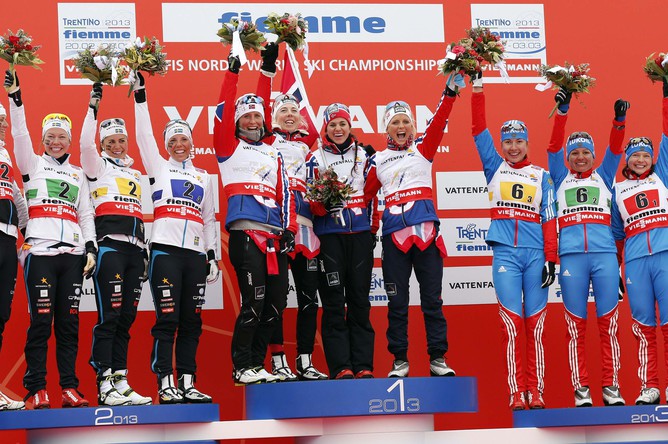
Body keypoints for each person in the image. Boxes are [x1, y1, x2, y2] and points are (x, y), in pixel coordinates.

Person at [5, 69, 96, 409]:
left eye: (61, 136)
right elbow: (19, 133)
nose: (55, 141)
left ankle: (69, 388)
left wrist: (91, 248)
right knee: (41, 322)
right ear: (43, 139)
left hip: (73, 255)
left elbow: (85, 213)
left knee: (69, 325)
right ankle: (36, 388)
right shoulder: (31, 164)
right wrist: (16, 99)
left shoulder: (77, 173)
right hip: (40, 253)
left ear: (69, 140)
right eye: (50, 136)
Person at [470, 72, 557, 410]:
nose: (514, 147)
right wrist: (478, 88)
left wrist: (551, 258)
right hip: (506, 254)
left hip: (535, 255)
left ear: (527, 143)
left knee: (535, 326)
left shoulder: (542, 176)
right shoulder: (494, 167)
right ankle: (516, 391)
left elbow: (549, 217)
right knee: (512, 325)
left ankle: (537, 391)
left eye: (519, 141)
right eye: (508, 141)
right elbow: (478, 131)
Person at [133, 73, 219, 403]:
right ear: (167, 146)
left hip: (195, 257)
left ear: (191, 143)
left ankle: (187, 382)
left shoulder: (203, 177)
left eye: (183, 140)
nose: (178, 145)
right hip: (165, 252)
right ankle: (165, 382)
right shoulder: (158, 167)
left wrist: (212, 255)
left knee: (192, 322)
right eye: (172, 141)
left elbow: (209, 219)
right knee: (167, 319)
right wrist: (140, 97)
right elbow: (144, 135)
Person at [363, 80, 457, 378]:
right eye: (395, 122)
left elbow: (439, 120)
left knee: (432, 302)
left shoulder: (423, 150)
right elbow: (364, 198)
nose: (401, 127)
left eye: (405, 121)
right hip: (394, 240)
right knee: (397, 303)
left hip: (427, 237)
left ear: (413, 127)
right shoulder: (376, 160)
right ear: (386, 129)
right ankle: (399, 360)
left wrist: (450, 93)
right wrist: (369, 231)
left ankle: (438, 358)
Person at [214, 52, 297, 385]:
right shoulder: (227, 146)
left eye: (257, 116)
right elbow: (223, 111)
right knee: (254, 302)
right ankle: (242, 366)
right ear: (237, 122)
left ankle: (257, 365)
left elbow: (285, 192)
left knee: (275, 306)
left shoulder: (272, 150)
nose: (252, 121)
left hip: (276, 237)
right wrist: (233, 74)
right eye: (246, 116)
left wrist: (289, 229)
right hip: (246, 235)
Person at [547, 88, 629, 407]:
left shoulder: (605, 176)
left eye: (585, 152)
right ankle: (581, 388)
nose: (580, 157)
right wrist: (562, 111)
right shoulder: (559, 176)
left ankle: (611, 386)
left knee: (609, 325)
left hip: (605, 257)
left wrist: (619, 120)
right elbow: (554, 146)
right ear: (568, 158)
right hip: (571, 259)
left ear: (593, 156)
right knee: (575, 326)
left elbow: (616, 148)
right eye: (575, 153)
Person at [256, 43, 327, 381]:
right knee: (276, 300)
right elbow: (258, 103)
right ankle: (278, 360)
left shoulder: (309, 149)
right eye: (283, 110)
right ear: (273, 116)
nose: (288, 114)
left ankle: (305, 360)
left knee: (310, 300)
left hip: (307, 230)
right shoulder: (266, 142)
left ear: (301, 117)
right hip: (276, 230)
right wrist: (268, 70)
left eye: (293, 111)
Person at [81, 83, 152, 406]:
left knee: (126, 319)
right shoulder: (97, 167)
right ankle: (103, 380)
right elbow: (84, 144)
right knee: (109, 317)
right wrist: (93, 108)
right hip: (109, 247)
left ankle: (121, 380)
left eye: (121, 140)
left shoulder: (135, 173)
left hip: (135, 250)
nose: (117, 145)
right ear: (102, 145)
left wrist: (145, 249)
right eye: (110, 142)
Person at [305, 102, 376, 380]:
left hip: (360, 237)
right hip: (330, 238)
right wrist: (324, 204)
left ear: (349, 126)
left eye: (342, 124)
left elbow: (374, 196)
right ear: (325, 129)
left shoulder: (366, 156)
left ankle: (363, 365)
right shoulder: (315, 158)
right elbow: (311, 203)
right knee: (334, 303)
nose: (338, 129)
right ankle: (341, 367)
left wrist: (372, 230)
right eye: (332, 124)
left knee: (360, 301)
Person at [612, 79, 668, 406]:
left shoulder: (662, 176)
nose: (641, 160)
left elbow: (667, 136)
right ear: (628, 159)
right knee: (643, 324)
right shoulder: (618, 189)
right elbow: (616, 234)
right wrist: (617, 269)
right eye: (636, 156)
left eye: (646, 155)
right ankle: (650, 386)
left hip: (664, 255)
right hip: (634, 262)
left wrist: (666, 94)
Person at [0, 99, 28, 411]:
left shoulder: (4, 154)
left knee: (0, 316)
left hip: (8, 241)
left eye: (4, 121)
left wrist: (29, 232)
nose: (4, 125)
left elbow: (16, 196)